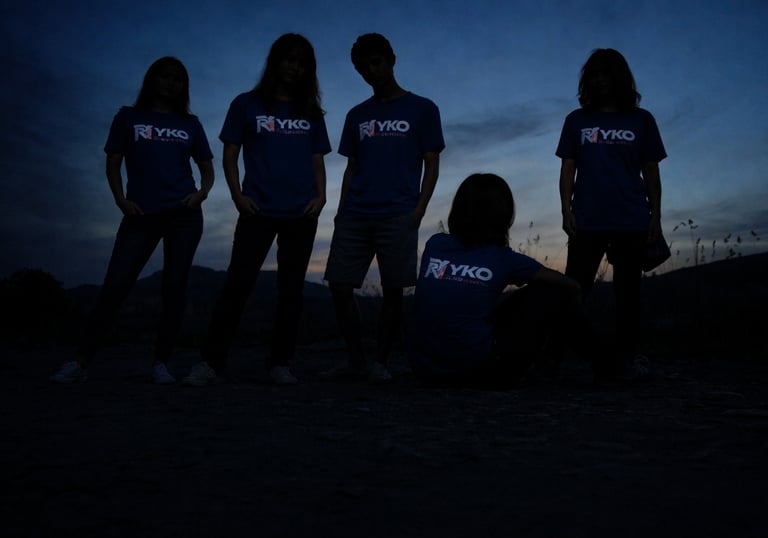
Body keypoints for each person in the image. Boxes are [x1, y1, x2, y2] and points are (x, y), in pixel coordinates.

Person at [51, 56, 214, 384]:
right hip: (140, 214)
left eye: (177, 79)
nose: (170, 83)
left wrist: (201, 194)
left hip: (183, 216)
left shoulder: (190, 124)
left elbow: (207, 168)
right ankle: (81, 362)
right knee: (116, 284)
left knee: (174, 288)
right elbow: (113, 162)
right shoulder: (128, 117)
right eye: (164, 76)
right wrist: (121, 200)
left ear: (183, 87)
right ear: (151, 79)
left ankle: (161, 364)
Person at [181, 34, 331, 387]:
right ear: (275, 61)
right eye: (289, 59)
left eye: (302, 63)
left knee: (291, 291)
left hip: (301, 213)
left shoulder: (310, 112)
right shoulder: (246, 104)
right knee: (238, 284)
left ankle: (280, 363)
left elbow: (317, 160)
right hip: (257, 209)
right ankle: (211, 362)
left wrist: (321, 197)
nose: (295, 67)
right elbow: (230, 154)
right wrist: (237, 196)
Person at [322, 33, 445, 383]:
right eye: (363, 68)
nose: (371, 72)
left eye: (376, 63)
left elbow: (431, 162)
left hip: (399, 213)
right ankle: (356, 360)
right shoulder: (357, 115)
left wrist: (419, 210)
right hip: (355, 214)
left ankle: (380, 362)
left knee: (394, 289)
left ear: (392, 59)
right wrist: (341, 210)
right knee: (340, 285)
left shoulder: (423, 108)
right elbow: (351, 167)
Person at [408, 173, 608, 388]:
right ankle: (606, 366)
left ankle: (552, 362)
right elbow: (571, 286)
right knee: (552, 293)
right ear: (503, 215)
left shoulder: (435, 244)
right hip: (477, 372)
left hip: (424, 370)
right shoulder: (503, 259)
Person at [556, 48, 666, 378]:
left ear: (620, 78)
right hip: (587, 218)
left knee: (628, 294)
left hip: (631, 217)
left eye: (607, 73)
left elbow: (651, 171)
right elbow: (567, 169)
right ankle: (552, 357)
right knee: (574, 290)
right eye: (595, 74)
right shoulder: (576, 120)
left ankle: (625, 361)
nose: (601, 80)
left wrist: (656, 215)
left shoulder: (641, 120)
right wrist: (565, 209)